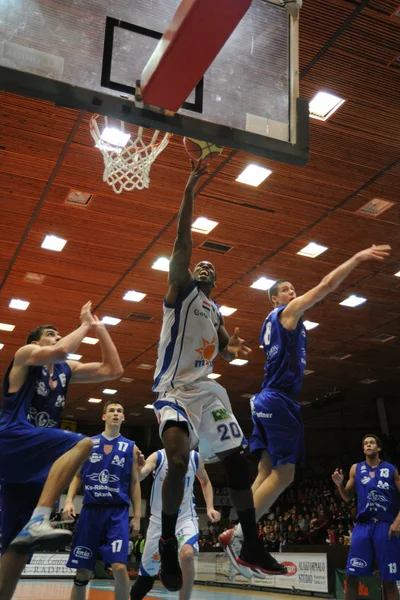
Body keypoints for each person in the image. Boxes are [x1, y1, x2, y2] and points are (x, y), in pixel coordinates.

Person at [151, 161, 287, 591]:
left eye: (212, 268)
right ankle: (168, 543)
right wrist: (190, 186)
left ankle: (251, 541)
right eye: (200, 265)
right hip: (173, 390)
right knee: (176, 459)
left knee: (235, 461)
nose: (205, 267)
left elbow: (223, 340)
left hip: (208, 392)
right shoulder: (179, 290)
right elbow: (183, 238)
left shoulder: (214, 309)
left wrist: (231, 346)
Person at [219, 244, 391, 574]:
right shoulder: (287, 314)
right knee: (286, 474)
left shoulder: (269, 324)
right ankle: (239, 535)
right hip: (278, 399)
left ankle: (237, 526)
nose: (292, 291)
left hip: (265, 399)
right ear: (274, 299)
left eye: (293, 288)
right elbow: (326, 286)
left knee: (265, 471)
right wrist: (355, 257)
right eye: (285, 289)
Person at [0, 302, 123, 600]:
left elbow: (113, 369)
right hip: (12, 437)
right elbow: (60, 352)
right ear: (35, 342)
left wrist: (101, 329)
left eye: (58, 333)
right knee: (82, 442)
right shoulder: (26, 355)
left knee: (17, 546)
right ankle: (41, 517)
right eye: (50, 334)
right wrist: (82, 325)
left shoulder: (67, 371)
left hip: (34, 463)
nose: (56, 337)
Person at [63, 400, 141, 600]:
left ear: (124, 418)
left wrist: (138, 516)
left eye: (120, 411)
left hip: (117, 513)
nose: (116, 413)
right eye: (112, 410)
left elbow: (134, 482)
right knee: (82, 572)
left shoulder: (130, 447)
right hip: (90, 512)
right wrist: (69, 500)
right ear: (103, 417)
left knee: (120, 567)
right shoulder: (89, 443)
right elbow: (78, 475)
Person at [130, 448, 220, 600]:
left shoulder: (195, 457)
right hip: (159, 521)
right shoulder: (158, 456)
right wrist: (137, 468)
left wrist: (210, 507)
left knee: (187, 554)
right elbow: (139, 477)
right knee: (145, 580)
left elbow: (205, 481)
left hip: (185, 518)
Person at [332, 434, 400, 600]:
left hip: (385, 526)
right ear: (363, 449)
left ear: (379, 448)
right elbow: (347, 497)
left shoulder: (391, 470)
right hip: (363, 526)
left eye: (372, 443)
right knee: (351, 575)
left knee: (389, 580)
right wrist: (340, 485)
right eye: (366, 443)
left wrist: (398, 521)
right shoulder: (356, 469)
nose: (369, 445)